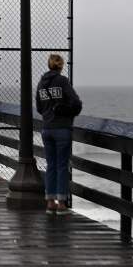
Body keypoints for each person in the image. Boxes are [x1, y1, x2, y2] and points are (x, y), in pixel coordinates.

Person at [35, 53, 82, 215]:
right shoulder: (62, 81)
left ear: (49, 65)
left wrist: (49, 111)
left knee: (51, 165)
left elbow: (39, 108)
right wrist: (67, 111)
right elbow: (75, 102)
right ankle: (61, 203)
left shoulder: (41, 83)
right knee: (62, 166)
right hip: (62, 128)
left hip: (47, 128)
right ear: (61, 66)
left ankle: (50, 202)